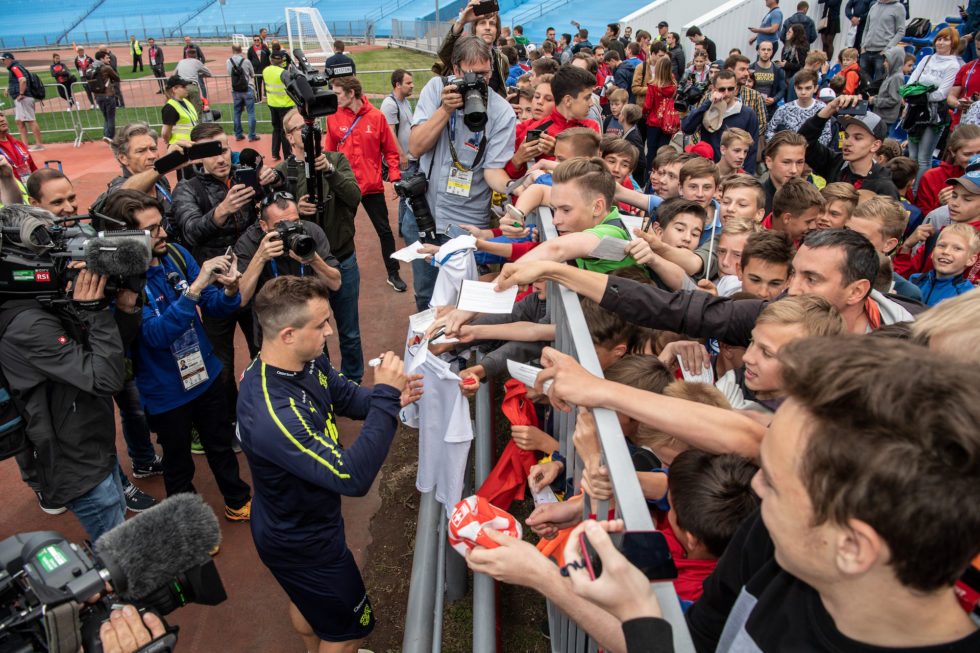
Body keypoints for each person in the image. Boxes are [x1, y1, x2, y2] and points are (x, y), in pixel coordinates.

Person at [489, 336, 980, 653]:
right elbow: (693, 642)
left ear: (853, 546)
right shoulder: (769, 541)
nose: (754, 486)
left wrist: (556, 583)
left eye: (774, 482)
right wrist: (614, 598)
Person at [237, 275, 422, 653]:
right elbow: (352, 477)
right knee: (351, 632)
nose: (330, 331)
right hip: (303, 543)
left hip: (298, 526)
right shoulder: (275, 414)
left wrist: (387, 398)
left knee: (312, 605)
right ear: (288, 334)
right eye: (321, 324)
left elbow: (346, 398)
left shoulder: (304, 360)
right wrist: (385, 398)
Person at [104, 189, 252, 521]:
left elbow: (213, 305)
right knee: (178, 463)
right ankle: (189, 524)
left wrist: (229, 289)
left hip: (205, 375)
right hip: (166, 392)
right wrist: (195, 289)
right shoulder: (123, 284)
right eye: (151, 230)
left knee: (220, 445)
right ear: (126, 238)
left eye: (161, 224)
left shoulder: (176, 254)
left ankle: (237, 500)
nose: (162, 233)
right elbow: (155, 335)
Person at [0, 205, 132, 540]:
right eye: (48, 249)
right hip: (78, 464)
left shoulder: (46, 299)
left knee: (121, 528)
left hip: (92, 445)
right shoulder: (29, 324)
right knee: (119, 551)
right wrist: (96, 311)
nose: (62, 257)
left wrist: (125, 305)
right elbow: (106, 379)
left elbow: (114, 353)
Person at [173, 122, 276, 412]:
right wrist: (221, 211)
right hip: (215, 291)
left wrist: (274, 179)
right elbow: (190, 232)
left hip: (255, 280)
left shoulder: (244, 176)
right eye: (212, 152)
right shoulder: (186, 189)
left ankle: (268, 411)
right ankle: (229, 417)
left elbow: (273, 208)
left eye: (224, 149)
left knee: (265, 351)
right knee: (221, 363)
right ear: (197, 157)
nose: (221, 159)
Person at [408, 35, 517, 308]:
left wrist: (515, 187)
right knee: (425, 294)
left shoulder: (502, 112)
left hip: (465, 224)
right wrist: (445, 110)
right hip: (424, 215)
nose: (479, 81)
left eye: (485, 74)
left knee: (462, 299)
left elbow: (493, 171)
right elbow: (416, 147)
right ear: (455, 69)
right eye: (472, 74)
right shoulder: (436, 89)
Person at [272, 108, 365, 383]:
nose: (311, 132)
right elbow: (272, 222)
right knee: (310, 332)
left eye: (314, 127)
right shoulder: (284, 171)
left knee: (349, 331)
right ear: (289, 137)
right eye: (301, 128)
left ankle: (353, 381)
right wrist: (296, 212)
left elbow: (354, 197)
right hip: (304, 267)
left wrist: (331, 172)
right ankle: (320, 383)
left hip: (342, 257)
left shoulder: (336, 160)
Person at [324, 75, 405, 293]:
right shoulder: (333, 117)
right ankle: (334, 273)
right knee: (338, 231)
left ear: (351, 93)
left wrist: (395, 178)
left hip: (371, 186)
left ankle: (393, 273)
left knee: (385, 231)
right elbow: (329, 153)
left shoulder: (376, 117)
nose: (334, 98)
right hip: (344, 187)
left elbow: (390, 151)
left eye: (337, 94)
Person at [235, 193, 342, 322]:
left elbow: (335, 283)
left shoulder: (311, 232)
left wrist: (314, 259)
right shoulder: (249, 242)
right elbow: (241, 299)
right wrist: (260, 258)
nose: (290, 230)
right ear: (264, 226)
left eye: (295, 222)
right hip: (272, 324)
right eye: (280, 226)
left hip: (310, 319)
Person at [799, 95, 899, 198]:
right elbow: (803, 142)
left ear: (875, 145)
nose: (847, 142)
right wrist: (830, 108)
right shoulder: (836, 163)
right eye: (846, 136)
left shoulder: (884, 187)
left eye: (857, 138)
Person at [906, 28, 963, 186]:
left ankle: (917, 190)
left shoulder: (953, 65)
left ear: (953, 43)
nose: (941, 42)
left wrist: (918, 95)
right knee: (912, 155)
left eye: (946, 39)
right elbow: (911, 83)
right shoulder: (927, 59)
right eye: (939, 39)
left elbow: (942, 93)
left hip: (935, 114)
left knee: (924, 158)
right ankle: (907, 188)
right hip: (915, 110)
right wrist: (913, 98)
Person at [682, 70, 760, 174]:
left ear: (736, 88)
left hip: (734, 174)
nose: (726, 93)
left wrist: (747, 177)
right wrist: (708, 103)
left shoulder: (748, 114)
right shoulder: (707, 108)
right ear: (714, 89)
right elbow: (687, 127)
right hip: (709, 170)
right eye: (722, 89)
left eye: (730, 89)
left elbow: (752, 150)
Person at [434, 0, 507, 96]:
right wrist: (461, 22)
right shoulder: (463, 54)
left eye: (492, 23)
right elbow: (444, 52)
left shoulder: (502, 60)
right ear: (474, 28)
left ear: (497, 30)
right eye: (482, 23)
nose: (488, 27)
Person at [915, 124, 980, 216]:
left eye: (979, 153)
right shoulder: (932, 177)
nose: (974, 159)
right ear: (953, 152)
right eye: (967, 154)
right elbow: (922, 217)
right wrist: (940, 205)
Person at [908, 223, 979, 305]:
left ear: (970, 260)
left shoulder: (967, 296)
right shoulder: (916, 280)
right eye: (942, 245)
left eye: (957, 248)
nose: (946, 252)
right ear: (933, 252)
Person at [2, 52, 43, 151]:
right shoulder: (16, 67)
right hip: (22, 98)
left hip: (23, 99)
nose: (3, 62)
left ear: (9, 59)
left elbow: (23, 80)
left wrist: (21, 93)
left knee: (30, 120)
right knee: (19, 121)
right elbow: (18, 81)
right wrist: (9, 88)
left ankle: (39, 144)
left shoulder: (15, 67)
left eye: (4, 59)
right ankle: (25, 145)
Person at [643, 58, 678, 167]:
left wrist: (643, 112)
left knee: (651, 150)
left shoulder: (653, 86)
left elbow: (648, 106)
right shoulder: (673, 84)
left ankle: (650, 172)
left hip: (654, 121)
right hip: (668, 121)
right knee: (663, 150)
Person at [858, 0, 905, 82]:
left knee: (879, 84)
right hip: (866, 52)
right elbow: (866, 28)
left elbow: (901, 31)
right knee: (864, 83)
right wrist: (863, 47)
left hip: (882, 53)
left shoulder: (899, 8)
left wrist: (887, 49)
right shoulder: (874, 6)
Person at [160, 76, 198, 166]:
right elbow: (165, 132)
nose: (187, 88)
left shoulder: (186, 102)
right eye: (183, 87)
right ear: (174, 89)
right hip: (180, 147)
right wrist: (170, 142)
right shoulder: (170, 108)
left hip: (191, 144)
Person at [263, 51, 294, 161]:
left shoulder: (265, 70)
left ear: (271, 60)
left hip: (272, 103)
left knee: (276, 129)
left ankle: (275, 153)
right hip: (285, 104)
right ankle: (287, 154)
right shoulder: (284, 73)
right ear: (282, 61)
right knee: (284, 130)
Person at [227, 45, 258, 142]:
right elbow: (252, 74)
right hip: (247, 88)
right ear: (241, 50)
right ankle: (251, 135)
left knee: (237, 112)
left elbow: (229, 73)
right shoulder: (246, 61)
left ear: (232, 50)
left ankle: (238, 134)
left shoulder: (228, 61)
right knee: (250, 112)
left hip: (236, 90)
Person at [0, 112, 36, 194]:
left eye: (2, 115)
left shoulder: (18, 144)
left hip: (29, 191)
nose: (1, 119)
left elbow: (33, 169)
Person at [91, 50, 121, 144]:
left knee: (106, 117)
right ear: (101, 59)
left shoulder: (91, 67)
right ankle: (110, 136)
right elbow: (117, 78)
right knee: (110, 117)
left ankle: (106, 135)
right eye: (107, 58)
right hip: (108, 95)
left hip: (98, 96)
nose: (109, 59)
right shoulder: (106, 68)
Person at [750, 41, 785, 120]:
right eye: (763, 49)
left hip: (770, 110)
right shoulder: (750, 68)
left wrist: (774, 99)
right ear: (758, 51)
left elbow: (782, 89)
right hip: (753, 107)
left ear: (772, 52)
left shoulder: (778, 70)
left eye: (769, 50)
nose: (766, 52)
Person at [247, 34, 270, 102]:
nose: (256, 41)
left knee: (268, 85)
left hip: (265, 70)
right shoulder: (251, 49)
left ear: (260, 40)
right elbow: (249, 59)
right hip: (256, 71)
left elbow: (269, 56)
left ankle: (269, 99)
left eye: (258, 40)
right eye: (255, 40)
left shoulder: (265, 48)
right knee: (257, 86)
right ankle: (259, 99)